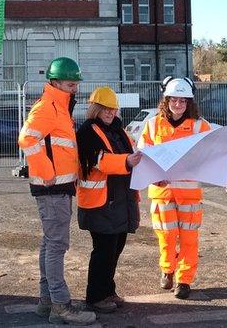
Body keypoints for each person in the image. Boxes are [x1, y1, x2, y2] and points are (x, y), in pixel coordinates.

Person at [18, 57, 96, 325]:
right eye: (70, 84)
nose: (74, 89)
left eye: (75, 84)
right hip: (52, 188)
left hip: (58, 187)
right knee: (56, 245)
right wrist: (47, 172)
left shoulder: (60, 108)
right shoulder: (47, 108)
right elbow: (27, 138)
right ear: (54, 82)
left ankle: (46, 301)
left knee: (49, 243)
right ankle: (60, 305)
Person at [138, 76, 210, 300]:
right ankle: (167, 269)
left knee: (189, 238)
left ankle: (184, 280)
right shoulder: (152, 124)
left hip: (189, 195)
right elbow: (143, 156)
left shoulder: (200, 125)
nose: (178, 105)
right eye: (174, 100)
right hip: (162, 193)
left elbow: (214, 152)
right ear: (166, 100)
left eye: (183, 101)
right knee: (166, 236)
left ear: (190, 103)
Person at [76, 87, 143, 313]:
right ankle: (95, 296)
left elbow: (132, 153)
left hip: (120, 202)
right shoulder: (87, 132)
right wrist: (127, 162)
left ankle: (107, 290)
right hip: (100, 203)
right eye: (105, 108)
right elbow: (100, 161)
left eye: (113, 108)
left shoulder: (118, 131)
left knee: (115, 249)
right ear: (95, 108)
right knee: (103, 251)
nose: (109, 112)